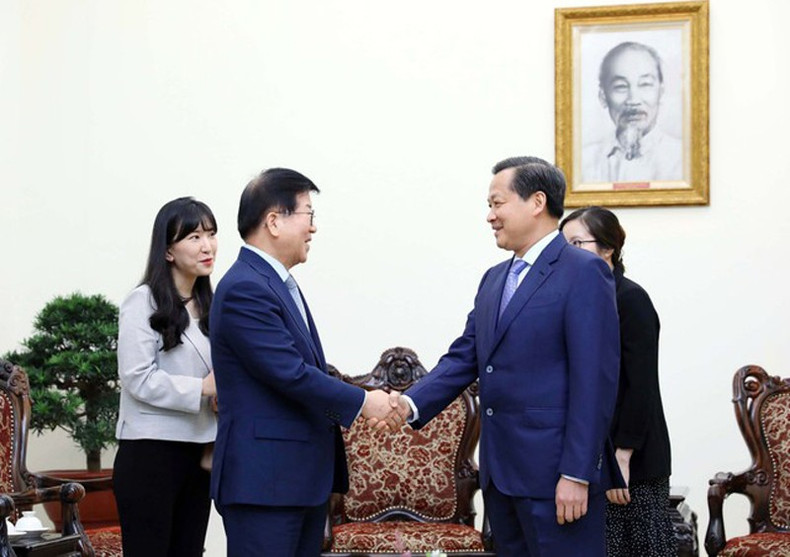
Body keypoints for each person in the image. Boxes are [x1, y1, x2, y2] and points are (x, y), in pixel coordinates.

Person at [391, 157, 621, 557]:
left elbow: (594, 382)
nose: (490, 216)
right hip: (502, 477)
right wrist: (409, 402)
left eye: (497, 204)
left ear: (536, 201)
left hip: (557, 480)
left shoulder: (583, 271)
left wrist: (576, 473)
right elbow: (466, 356)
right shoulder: (495, 278)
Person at [209, 167, 401, 557]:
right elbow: (291, 374)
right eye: (308, 215)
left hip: (294, 481)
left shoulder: (273, 283)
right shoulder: (245, 288)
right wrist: (367, 402)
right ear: (274, 221)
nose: (313, 228)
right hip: (265, 485)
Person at [560, 206, 675, 557]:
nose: (568, 255)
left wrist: (622, 456)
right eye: (562, 247)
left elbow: (641, 384)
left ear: (608, 248)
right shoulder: (576, 299)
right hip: (592, 455)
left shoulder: (630, 298)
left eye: (577, 243)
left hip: (632, 455)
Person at [114, 197, 219, 557]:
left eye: (211, 234)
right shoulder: (141, 302)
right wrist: (203, 388)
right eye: (193, 237)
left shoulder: (213, 306)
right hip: (150, 454)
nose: (207, 246)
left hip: (198, 454)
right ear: (168, 251)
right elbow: (137, 377)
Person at [582, 41, 683, 184]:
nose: (633, 100)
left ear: (661, 92)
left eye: (645, 84)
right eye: (621, 86)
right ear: (603, 96)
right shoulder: (584, 163)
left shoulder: (682, 158)